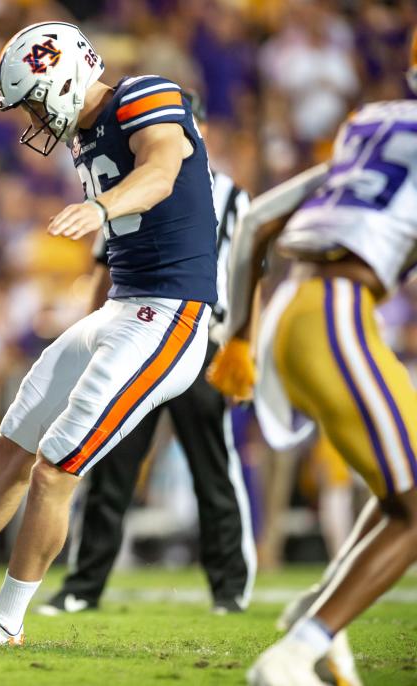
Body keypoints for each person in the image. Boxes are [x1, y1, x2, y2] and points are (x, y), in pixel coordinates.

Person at [0, 21, 218, 645]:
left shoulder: (143, 94)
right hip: (121, 309)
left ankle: (7, 619)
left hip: (169, 314)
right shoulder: (84, 134)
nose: (29, 114)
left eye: (30, 98)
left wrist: (103, 208)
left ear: (61, 79)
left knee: (57, 468)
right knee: (10, 452)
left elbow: (162, 170)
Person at [207, 34, 417, 686]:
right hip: (335, 312)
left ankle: (322, 621)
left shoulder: (376, 123)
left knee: (403, 489)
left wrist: (240, 334)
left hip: (295, 310)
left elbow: (258, 220)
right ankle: (296, 651)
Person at [38, 92, 256, 617]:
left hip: (204, 335)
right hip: (135, 329)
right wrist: (94, 335)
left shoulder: (228, 196)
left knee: (212, 467)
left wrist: (245, 339)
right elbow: (103, 268)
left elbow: (251, 273)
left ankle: (229, 587)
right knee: (112, 464)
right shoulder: (125, 179)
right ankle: (83, 586)